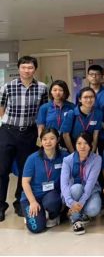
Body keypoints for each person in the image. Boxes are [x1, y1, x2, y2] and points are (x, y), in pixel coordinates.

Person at [0, 56, 49, 221]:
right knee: (2, 169)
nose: (26, 70)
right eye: (23, 67)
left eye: (30, 67)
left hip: (29, 133)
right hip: (8, 131)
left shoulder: (42, 88)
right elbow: (1, 108)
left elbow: (43, 110)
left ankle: (19, 203)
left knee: (25, 170)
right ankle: (0, 205)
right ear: (19, 68)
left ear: (35, 69)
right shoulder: (8, 87)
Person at [21, 128, 68, 233]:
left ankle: (53, 215)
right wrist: (32, 202)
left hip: (51, 194)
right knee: (36, 228)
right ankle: (34, 214)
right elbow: (25, 182)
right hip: (33, 196)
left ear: (57, 140)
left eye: (52, 138)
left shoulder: (64, 156)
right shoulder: (32, 158)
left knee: (53, 202)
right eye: (45, 139)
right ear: (40, 141)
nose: (48, 142)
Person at [60, 132, 102, 235]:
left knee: (93, 210)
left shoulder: (96, 159)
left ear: (91, 144)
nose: (82, 146)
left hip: (90, 191)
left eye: (86, 143)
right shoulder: (67, 160)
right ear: (75, 145)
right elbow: (64, 183)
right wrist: (71, 202)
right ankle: (76, 220)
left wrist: (80, 203)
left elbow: (90, 184)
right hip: (73, 192)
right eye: (79, 143)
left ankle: (82, 213)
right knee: (76, 188)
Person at [61, 88, 102, 154]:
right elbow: (65, 135)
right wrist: (73, 153)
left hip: (88, 147)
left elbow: (95, 134)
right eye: (85, 97)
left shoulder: (98, 113)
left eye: (91, 97)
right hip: (73, 147)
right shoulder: (72, 113)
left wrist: (92, 152)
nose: (89, 100)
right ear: (80, 99)